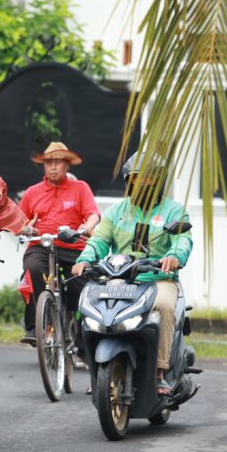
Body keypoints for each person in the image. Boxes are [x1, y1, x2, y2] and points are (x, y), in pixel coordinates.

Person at [72, 152, 193, 396]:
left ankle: (160, 372)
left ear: (159, 182)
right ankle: (97, 369)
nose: (143, 184)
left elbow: (182, 240)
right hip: (121, 278)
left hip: (158, 279)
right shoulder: (116, 212)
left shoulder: (173, 212)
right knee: (92, 306)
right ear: (129, 182)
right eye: (137, 179)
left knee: (165, 306)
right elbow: (99, 240)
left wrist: (173, 257)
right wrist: (85, 259)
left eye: (149, 179)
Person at [18, 142, 100, 340]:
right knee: (32, 268)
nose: (53, 166)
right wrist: (27, 228)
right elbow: (18, 221)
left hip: (75, 247)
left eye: (58, 162)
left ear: (67, 166)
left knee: (84, 285)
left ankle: (84, 339)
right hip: (42, 245)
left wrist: (88, 227)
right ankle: (36, 324)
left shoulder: (80, 188)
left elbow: (93, 214)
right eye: (49, 162)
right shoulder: (32, 193)